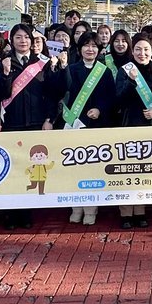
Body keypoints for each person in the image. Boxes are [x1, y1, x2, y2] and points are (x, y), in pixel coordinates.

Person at [0, 23, 66, 229]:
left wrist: (49, 119)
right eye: (18, 37)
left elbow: (53, 94)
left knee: (31, 169)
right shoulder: (5, 62)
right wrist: (6, 73)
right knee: (13, 169)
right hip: (13, 123)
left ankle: (25, 213)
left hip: (36, 123)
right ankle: (10, 214)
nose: (23, 41)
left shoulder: (42, 63)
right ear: (11, 40)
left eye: (26, 37)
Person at [62, 32, 117, 226]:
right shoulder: (71, 69)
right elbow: (64, 95)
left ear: (99, 50)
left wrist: (100, 109)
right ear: (79, 49)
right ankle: (76, 207)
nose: (90, 49)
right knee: (75, 168)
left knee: (93, 169)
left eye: (94, 46)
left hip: (97, 125)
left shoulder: (105, 71)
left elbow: (111, 97)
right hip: (75, 124)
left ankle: (91, 209)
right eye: (86, 45)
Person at [114, 33, 152, 228]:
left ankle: (141, 211)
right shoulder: (125, 70)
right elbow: (118, 99)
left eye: (146, 49)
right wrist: (131, 81)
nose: (142, 53)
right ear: (132, 50)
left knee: (144, 170)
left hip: (150, 126)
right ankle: (126, 213)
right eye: (138, 49)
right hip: (129, 125)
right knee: (128, 170)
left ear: (151, 51)